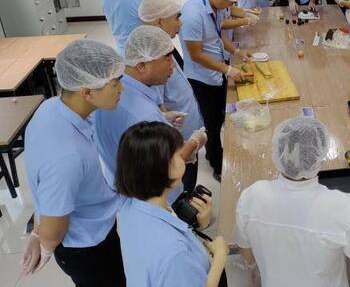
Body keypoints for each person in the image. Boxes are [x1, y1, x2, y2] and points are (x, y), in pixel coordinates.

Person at [21, 40, 126, 286]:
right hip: (88, 247)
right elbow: (54, 226)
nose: (122, 88)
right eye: (114, 83)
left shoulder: (51, 108)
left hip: (93, 223)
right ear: (86, 92)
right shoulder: (67, 158)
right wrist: (44, 242)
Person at [235, 117, 350, 287]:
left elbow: (246, 252)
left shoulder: (251, 196)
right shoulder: (342, 206)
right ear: (320, 156)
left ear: (278, 154)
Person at [94, 26, 205, 200]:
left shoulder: (112, 93)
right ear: (142, 66)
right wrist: (194, 142)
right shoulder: (144, 116)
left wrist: (162, 119)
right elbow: (166, 167)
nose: (173, 65)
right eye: (167, 58)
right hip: (156, 197)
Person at [116, 121, 228, 287]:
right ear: (163, 167)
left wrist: (196, 228)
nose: (184, 154)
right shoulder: (174, 254)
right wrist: (220, 256)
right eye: (178, 151)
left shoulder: (129, 206)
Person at [180, 0, 251, 180]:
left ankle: (222, 147)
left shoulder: (216, 8)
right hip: (202, 77)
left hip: (218, 69)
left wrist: (236, 53)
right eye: (231, 1)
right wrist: (228, 70)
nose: (232, 6)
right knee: (211, 121)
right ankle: (216, 161)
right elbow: (196, 55)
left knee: (221, 114)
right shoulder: (193, 13)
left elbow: (218, 35)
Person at [138, 0, 206, 193]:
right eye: (177, 17)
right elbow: (159, 109)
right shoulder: (152, 57)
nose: (181, 23)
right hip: (178, 143)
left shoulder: (162, 45)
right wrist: (185, 146)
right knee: (181, 186)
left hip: (186, 136)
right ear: (160, 21)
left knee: (188, 178)